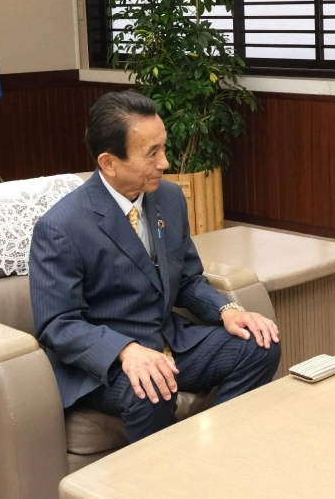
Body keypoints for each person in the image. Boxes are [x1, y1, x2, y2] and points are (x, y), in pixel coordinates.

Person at [30, 90, 281, 442]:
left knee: (261, 344)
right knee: (151, 389)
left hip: (169, 341)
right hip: (109, 364)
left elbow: (188, 279)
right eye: (152, 153)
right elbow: (58, 324)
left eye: (163, 147)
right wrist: (125, 350)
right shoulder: (61, 227)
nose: (165, 162)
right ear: (109, 162)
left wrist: (226, 310)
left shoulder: (168, 197)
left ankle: (219, 448)